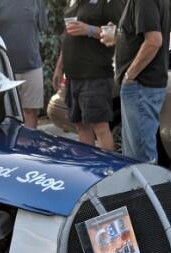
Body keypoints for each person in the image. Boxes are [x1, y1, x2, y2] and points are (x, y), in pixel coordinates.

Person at [52, 0, 125, 151]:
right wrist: (59, 68)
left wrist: (89, 30)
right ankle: (89, 167)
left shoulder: (109, 3)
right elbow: (68, 37)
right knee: (80, 125)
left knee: (100, 127)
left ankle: (107, 171)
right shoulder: (74, 2)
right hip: (72, 75)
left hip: (95, 75)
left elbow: (118, 35)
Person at [104, 0, 170, 162]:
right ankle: (140, 187)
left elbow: (154, 41)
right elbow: (139, 37)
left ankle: (143, 187)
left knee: (139, 158)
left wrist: (129, 76)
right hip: (141, 86)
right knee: (136, 153)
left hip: (140, 85)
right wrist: (118, 37)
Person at [0, 0, 48, 129]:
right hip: (4, 69)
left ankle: (28, 147)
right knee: (7, 115)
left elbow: (44, 27)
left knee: (30, 111)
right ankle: (10, 147)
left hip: (32, 66)